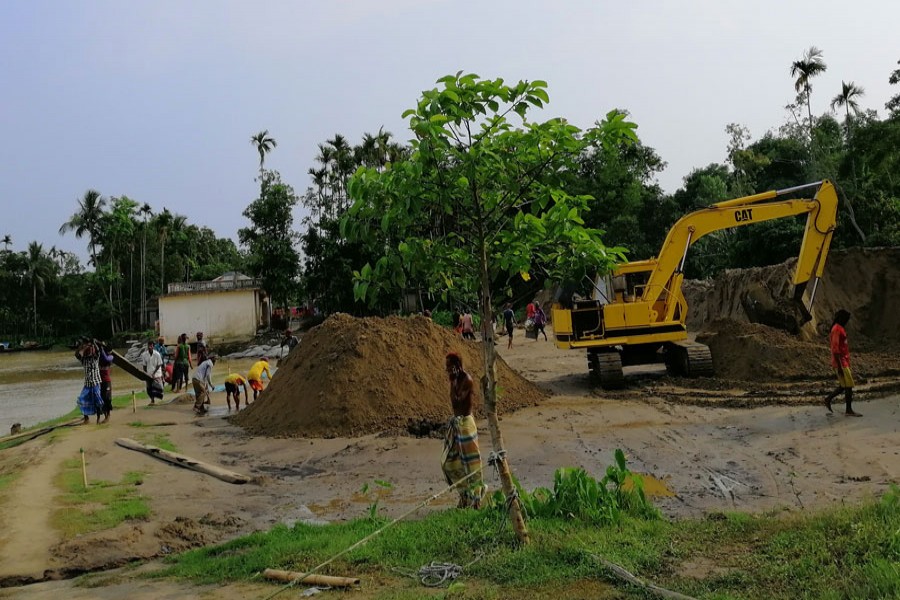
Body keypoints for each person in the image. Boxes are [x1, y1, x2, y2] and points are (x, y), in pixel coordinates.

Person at [441, 352, 485, 509]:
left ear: (457, 367)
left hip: (466, 424)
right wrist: (452, 381)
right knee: (450, 463)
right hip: (457, 424)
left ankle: (476, 500)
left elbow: (456, 401)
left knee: (472, 464)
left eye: (449, 367)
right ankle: (464, 494)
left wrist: (453, 382)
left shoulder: (467, 380)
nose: (447, 371)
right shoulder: (455, 379)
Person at [824, 309, 861, 417]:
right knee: (848, 386)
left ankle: (828, 399)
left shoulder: (839, 328)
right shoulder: (837, 329)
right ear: (841, 318)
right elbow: (835, 349)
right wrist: (840, 367)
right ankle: (848, 410)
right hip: (840, 362)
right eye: (846, 319)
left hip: (843, 361)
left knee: (844, 386)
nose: (847, 321)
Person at [75, 339, 104, 424]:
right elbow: (76, 354)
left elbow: (98, 351)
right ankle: (86, 419)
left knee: (97, 401)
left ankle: (98, 419)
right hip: (87, 384)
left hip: (96, 383)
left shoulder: (95, 359)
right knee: (82, 400)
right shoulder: (84, 360)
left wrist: (94, 342)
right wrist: (81, 347)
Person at [141, 340, 165, 405]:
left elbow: (159, 364)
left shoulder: (157, 354)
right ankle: (152, 400)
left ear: (153, 346)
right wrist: (145, 373)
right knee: (149, 388)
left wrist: (154, 373)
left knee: (158, 388)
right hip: (148, 374)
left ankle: (156, 399)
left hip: (157, 374)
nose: (150, 347)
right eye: (149, 346)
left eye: (151, 346)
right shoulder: (144, 355)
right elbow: (144, 365)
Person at [97, 342, 115, 422]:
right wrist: (100, 348)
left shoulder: (111, 357)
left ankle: (108, 415)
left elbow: (106, 358)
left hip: (107, 381)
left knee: (107, 399)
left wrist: (101, 349)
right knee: (102, 399)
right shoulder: (100, 358)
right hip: (101, 382)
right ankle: (105, 416)